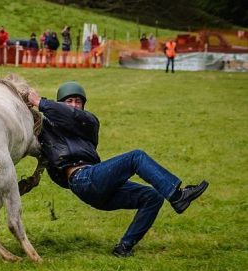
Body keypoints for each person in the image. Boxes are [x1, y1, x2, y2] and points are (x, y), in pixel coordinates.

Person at [27, 82, 209, 257]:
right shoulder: (47, 127)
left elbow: (71, 116)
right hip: (82, 180)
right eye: (69, 101)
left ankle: (124, 246)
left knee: (152, 197)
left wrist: (40, 101)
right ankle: (177, 196)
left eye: (78, 101)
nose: (74, 105)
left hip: (94, 180)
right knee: (136, 157)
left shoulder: (89, 122)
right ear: (59, 103)